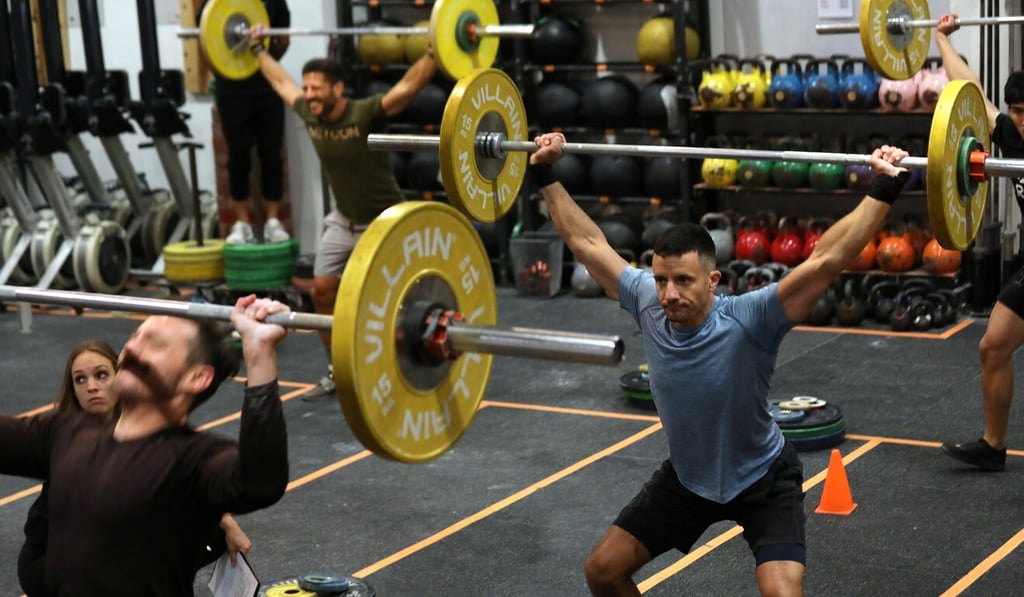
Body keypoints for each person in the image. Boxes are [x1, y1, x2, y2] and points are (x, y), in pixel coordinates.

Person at [528, 132, 911, 596]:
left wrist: (884, 188)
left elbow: (826, 260)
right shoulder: (646, 299)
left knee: (781, 594)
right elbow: (587, 241)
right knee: (602, 572)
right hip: (690, 479)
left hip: (763, 477)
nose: (669, 294)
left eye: (684, 281)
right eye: (662, 280)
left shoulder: (752, 317)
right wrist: (545, 171)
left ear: (713, 280)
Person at [0, 295, 290, 595]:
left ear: (197, 377)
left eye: (154, 343)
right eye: (135, 336)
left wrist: (259, 353)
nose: (132, 348)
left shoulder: (196, 460)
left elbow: (262, 482)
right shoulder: (67, 432)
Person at [249, 25, 438, 399]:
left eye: (316, 88)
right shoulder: (310, 112)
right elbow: (280, 83)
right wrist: (258, 50)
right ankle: (338, 368)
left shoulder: (363, 113)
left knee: (398, 298)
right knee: (322, 290)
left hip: (384, 218)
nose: (308, 95)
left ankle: (404, 367)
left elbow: (405, 90)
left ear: (337, 89)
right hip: (343, 220)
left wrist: (435, 52)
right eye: (307, 88)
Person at [17, 340, 255, 596]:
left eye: (101, 375)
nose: (92, 387)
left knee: (211, 538)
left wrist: (228, 525)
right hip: (50, 563)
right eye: (80, 380)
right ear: (73, 390)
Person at [934, 13, 1024, 472]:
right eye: (1018, 112)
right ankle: (993, 446)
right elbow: (969, 94)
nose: (1022, 121)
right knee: (993, 346)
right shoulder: (1009, 132)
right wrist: (941, 40)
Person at [199, 0, 293, 245]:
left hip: (267, 86)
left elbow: (283, 40)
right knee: (237, 158)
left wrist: (265, 58)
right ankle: (242, 224)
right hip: (231, 89)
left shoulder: (275, 3)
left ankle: (273, 222)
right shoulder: (215, 3)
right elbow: (205, 41)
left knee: (271, 155)